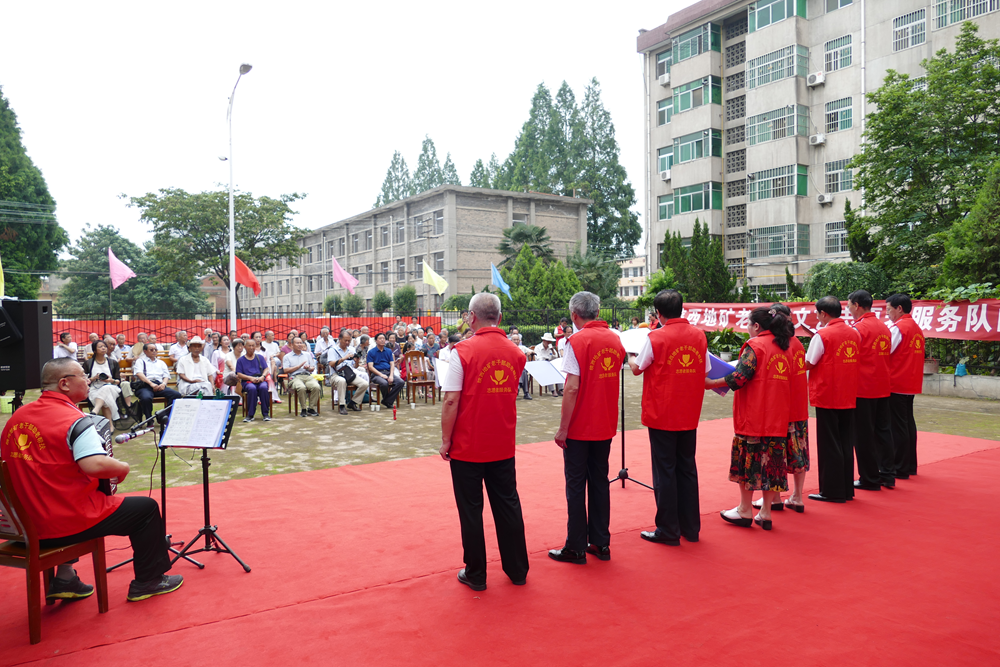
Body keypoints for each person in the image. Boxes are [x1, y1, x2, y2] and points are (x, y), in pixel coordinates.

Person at [1, 358, 184, 601]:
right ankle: (149, 580)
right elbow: (94, 464)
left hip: (22, 522)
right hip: (60, 522)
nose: (88, 381)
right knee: (146, 509)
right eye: (83, 376)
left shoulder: (17, 417)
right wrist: (122, 467)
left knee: (61, 490)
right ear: (64, 383)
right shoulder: (73, 419)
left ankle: (65, 577)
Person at [440, 293, 529, 591]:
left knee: (471, 510)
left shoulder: (463, 350)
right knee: (508, 504)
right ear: (499, 318)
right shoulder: (516, 352)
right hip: (502, 440)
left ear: (471, 317)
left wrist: (446, 440)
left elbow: (451, 400)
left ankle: (476, 573)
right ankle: (517, 569)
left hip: (468, 443)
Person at [549, 292, 626, 564]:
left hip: (581, 426)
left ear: (574, 315)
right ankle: (601, 542)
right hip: (605, 422)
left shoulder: (577, 341)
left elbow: (571, 388)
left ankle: (576, 546)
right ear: (597, 311)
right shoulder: (615, 340)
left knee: (575, 485)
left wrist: (563, 428)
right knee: (599, 482)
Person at [629, 290, 710, 544]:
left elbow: (637, 369)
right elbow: (705, 369)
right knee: (687, 468)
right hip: (689, 412)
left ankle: (668, 529)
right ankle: (690, 528)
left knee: (665, 470)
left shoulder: (656, 337)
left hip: (662, 413)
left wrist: (630, 356)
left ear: (659, 313)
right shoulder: (699, 335)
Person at [706, 307, 794, 531]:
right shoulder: (785, 346)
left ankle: (745, 509)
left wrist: (711, 383)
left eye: (747, 323)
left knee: (749, 462)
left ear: (756, 326)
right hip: (777, 416)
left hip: (755, 415)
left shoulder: (755, 346)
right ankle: (765, 512)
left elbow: (739, 377)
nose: (746, 327)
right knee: (772, 464)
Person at [753, 303, 810, 513]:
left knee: (776, 455)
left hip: (779, 408)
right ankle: (797, 496)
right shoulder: (797, 343)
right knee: (798, 452)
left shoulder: (775, 343)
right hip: (798, 406)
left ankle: (774, 499)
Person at [805, 296, 862, 504]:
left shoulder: (822, 335)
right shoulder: (854, 333)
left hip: (828, 394)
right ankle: (846, 489)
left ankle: (831, 490)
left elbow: (809, 362)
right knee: (846, 441)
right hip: (848, 393)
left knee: (829, 443)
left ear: (823, 313)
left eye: (817, 313)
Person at [849, 290, 895, 490]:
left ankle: (869, 478)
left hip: (863, 387)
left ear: (857, 305)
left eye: (849, 306)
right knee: (883, 431)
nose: (849, 310)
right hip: (882, 385)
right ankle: (888, 474)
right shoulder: (884, 327)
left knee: (863, 435)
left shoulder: (858, 329)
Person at [886, 293, 926, 480]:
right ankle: (909, 464)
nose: (888, 314)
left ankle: (900, 466)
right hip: (910, 381)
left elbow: (885, 352)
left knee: (898, 425)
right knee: (908, 422)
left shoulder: (899, 328)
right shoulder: (916, 328)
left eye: (889, 309)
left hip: (897, 381)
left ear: (899, 309)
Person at [82, 340, 134, 427]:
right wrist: (93, 378)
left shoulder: (112, 362)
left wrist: (110, 380)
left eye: (105, 346)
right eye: (100, 347)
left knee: (106, 388)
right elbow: (83, 380)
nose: (103, 348)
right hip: (94, 389)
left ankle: (95, 410)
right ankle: (110, 425)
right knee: (106, 399)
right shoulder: (88, 363)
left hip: (112, 387)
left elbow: (118, 381)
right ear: (94, 350)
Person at [133, 343, 181, 421]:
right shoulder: (140, 361)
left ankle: (164, 416)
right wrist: (151, 384)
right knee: (146, 398)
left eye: (155, 350)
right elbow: (139, 373)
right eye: (151, 350)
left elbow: (166, 375)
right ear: (145, 351)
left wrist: (163, 384)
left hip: (159, 385)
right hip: (145, 386)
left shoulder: (161, 362)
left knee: (176, 395)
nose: (154, 351)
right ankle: (149, 420)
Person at [327, 330, 370, 413]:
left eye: (349, 341)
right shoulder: (333, 350)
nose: (347, 342)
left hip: (348, 373)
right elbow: (331, 364)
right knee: (342, 381)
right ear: (339, 339)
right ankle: (342, 405)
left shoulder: (351, 349)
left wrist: (357, 361)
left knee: (364, 384)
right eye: (345, 340)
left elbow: (355, 366)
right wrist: (344, 358)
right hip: (336, 374)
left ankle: (353, 403)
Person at [283, 336, 321, 417]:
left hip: (307, 375)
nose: (299, 345)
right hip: (295, 377)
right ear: (292, 344)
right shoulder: (287, 356)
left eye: (301, 343)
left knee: (316, 387)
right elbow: (285, 370)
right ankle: (303, 409)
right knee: (301, 387)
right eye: (297, 343)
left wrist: (309, 368)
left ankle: (311, 408)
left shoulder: (307, 355)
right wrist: (298, 366)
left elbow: (312, 368)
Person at [236, 339, 271, 422]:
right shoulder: (241, 360)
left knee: (263, 387)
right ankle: (250, 414)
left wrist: (263, 376)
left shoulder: (260, 357)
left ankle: (265, 414)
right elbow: (239, 374)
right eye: (249, 346)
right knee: (252, 388)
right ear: (245, 347)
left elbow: (266, 369)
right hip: (248, 381)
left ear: (255, 346)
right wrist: (250, 378)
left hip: (260, 379)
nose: (251, 347)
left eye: (253, 345)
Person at [367, 333, 404, 408]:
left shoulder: (388, 351)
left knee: (401, 382)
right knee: (384, 383)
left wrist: (391, 375)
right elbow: (370, 367)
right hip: (376, 374)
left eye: (383, 338)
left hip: (387, 372)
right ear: (376, 340)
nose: (382, 340)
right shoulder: (371, 352)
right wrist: (381, 375)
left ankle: (387, 401)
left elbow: (392, 364)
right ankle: (387, 401)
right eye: (380, 338)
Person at [511, 333, 533, 400]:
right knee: (522, 372)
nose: (516, 341)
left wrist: (530, 352)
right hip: (511, 368)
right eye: (514, 340)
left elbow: (532, 351)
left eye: (517, 340)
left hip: (521, 368)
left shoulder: (522, 348)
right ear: (511, 340)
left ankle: (519, 387)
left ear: (519, 341)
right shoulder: (508, 348)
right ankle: (526, 392)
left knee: (523, 372)